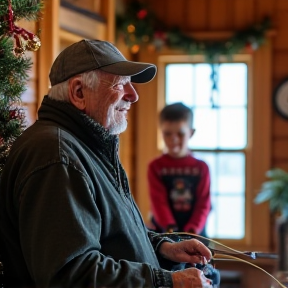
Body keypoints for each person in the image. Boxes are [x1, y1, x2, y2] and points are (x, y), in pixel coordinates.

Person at [0, 39, 214, 288]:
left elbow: (112, 234)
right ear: (79, 92)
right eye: (121, 83)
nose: (133, 95)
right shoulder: (56, 157)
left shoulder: (87, 146)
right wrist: (168, 282)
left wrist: (162, 247)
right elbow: (71, 274)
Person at [147, 102, 211, 237]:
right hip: (164, 233)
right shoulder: (156, 167)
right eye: (167, 134)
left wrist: (192, 230)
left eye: (180, 134)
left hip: (196, 233)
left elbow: (203, 203)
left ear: (191, 133)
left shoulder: (201, 168)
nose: (173, 139)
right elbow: (158, 202)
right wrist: (170, 228)